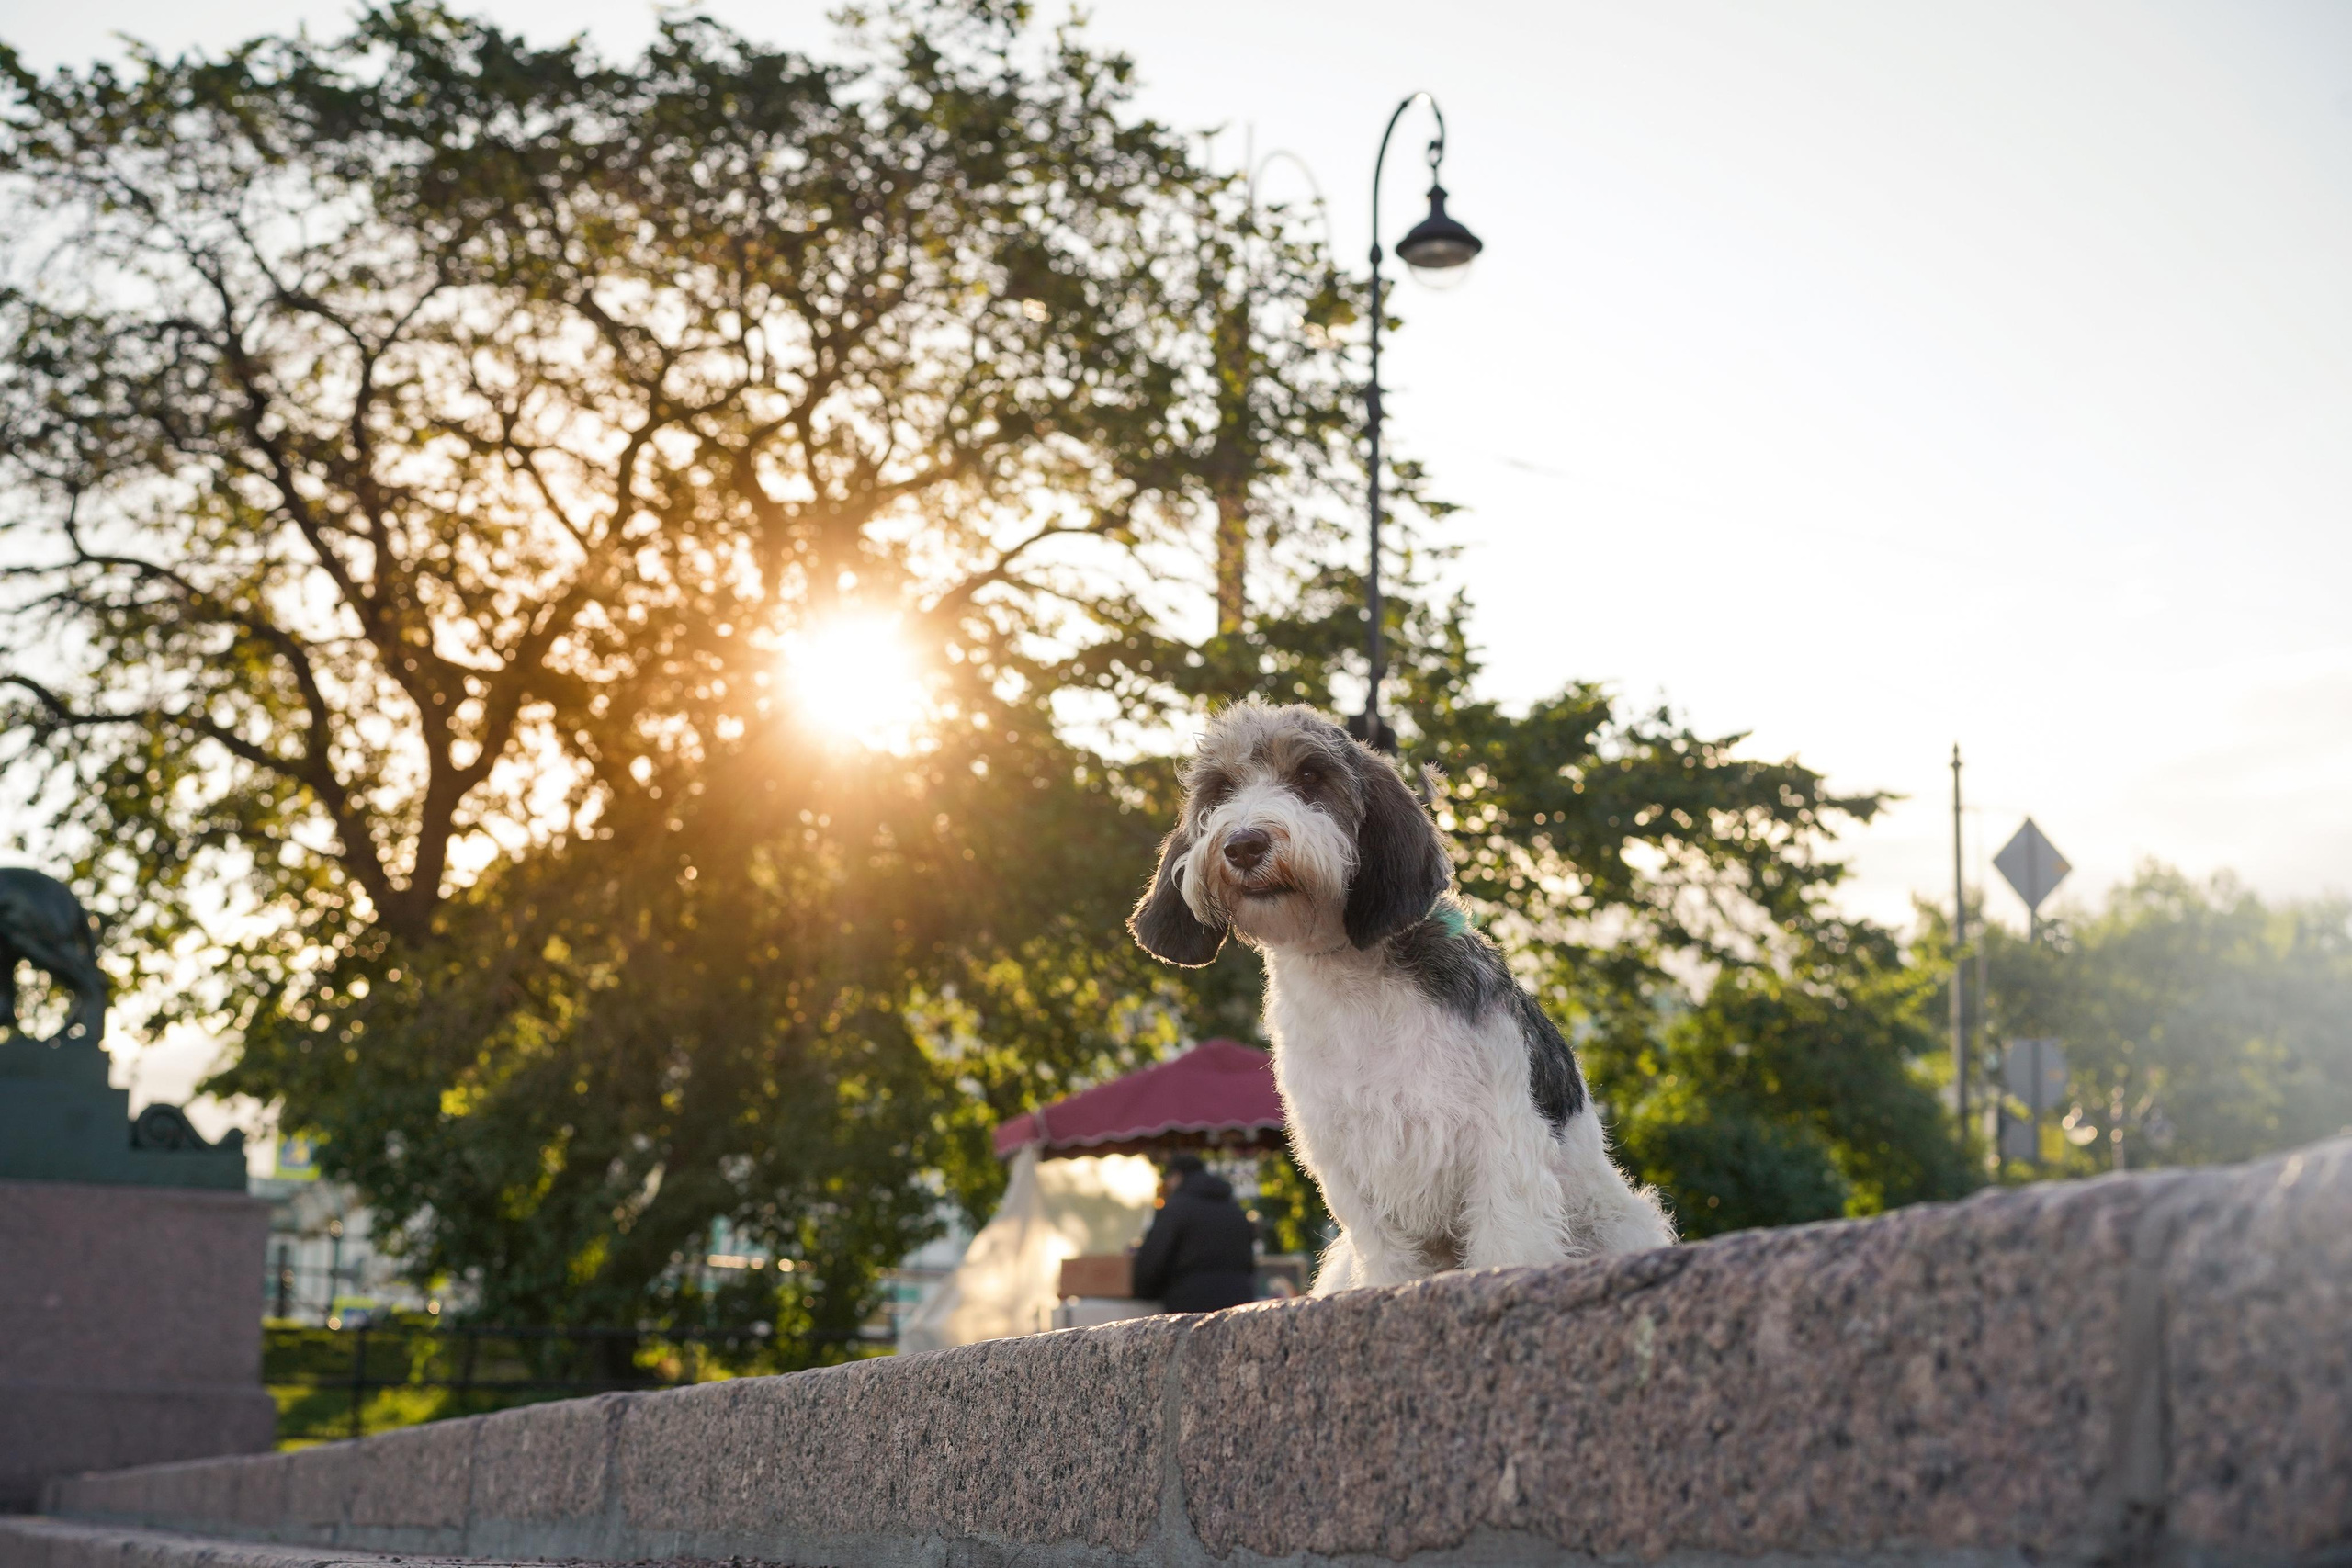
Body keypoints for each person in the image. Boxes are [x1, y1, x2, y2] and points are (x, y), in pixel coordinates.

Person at [1130, 1154, 1258, 1313]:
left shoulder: (1177, 1208)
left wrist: (1143, 1292)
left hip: (1190, 1302)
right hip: (1238, 1301)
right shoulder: (1234, 1209)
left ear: (1177, 1176)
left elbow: (1154, 1257)